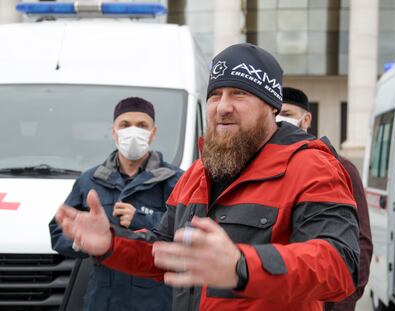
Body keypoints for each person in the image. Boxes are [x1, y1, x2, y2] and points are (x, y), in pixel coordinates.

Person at [55, 43, 360, 311]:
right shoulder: (199, 172)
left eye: (239, 94)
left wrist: (242, 266)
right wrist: (112, 243)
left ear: (271, 107)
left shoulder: (312, 166)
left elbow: (340, 264)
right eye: (215, 95)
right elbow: (164, 249)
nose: (223, 107)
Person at [49, 97, 182, 311]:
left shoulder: (175, 180)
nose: (133, 131)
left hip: (155, 300)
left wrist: (142, 217)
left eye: (142, 126)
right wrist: (81, 240)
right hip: (103, 299)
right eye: (125, 125)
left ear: (153, 133)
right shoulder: (90, 180)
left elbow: (188, 231)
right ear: (114, 132)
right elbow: (57, 232)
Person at [277, 87, 373, 311]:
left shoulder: (339, 167)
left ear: (306, 119)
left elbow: (361, 244)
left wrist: (340, 306)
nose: (279, 120)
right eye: (274, 114)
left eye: (287, 114)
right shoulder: (265, 167)